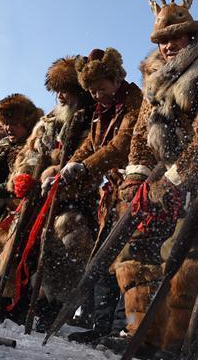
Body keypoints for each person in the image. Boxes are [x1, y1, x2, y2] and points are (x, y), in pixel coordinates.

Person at [108, 0, 198, 360]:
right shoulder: (153, 81)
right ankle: (143, 334)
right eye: (161, 40)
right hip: (162, 181)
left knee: (186, 261)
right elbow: (139, 135)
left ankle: (179, 344)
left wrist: (176, 180)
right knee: (136, 251)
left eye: (174, 37)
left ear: (191, 36)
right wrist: (135, 176)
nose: (167, 46)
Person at [0, 55, 95, 331]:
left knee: (61, 254)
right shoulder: (49, 120)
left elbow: (89, 157)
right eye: (57, 91)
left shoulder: (90, 117)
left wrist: (57, 173)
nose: (60, 96)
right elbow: (30, 153)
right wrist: (24, 175)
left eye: (66, 90)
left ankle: (51, 311)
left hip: (73, 198)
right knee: (25, 249)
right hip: (40, 196)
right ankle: (20, 304)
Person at [62, 48, 144, 344]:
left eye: (102, 88)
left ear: (116, 78)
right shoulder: (100, 111)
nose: (97, 95)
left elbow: (121, 145)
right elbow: (92, 145)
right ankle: (100, 324)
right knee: (103, 255)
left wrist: (85, 166)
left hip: (134, 189)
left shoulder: (135, 101)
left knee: (123, 256)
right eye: (93, 90)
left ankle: (120, 328)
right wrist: (71, 164)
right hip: (110, 193)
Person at [0, 93, 43, 314]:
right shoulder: (6, 146)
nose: (9, 129)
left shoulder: (33, 146)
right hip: (5, 209)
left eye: (14, 124)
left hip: (24, 208)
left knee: (14, 256)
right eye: (6, 124)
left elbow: (19, 180)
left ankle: (9, 305)